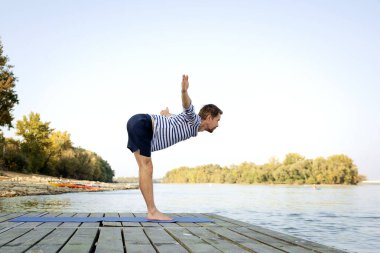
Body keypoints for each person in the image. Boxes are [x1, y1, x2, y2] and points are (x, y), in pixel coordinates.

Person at [126, 74, 223, 220]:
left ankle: (151, 211)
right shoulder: (195, 119)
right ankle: (152, 212)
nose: (218, 124)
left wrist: (167, 113)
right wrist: (184, 91)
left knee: (144, 168)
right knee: (147, 167)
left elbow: (175, 118)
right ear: (209, 117)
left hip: (136, 123)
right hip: (143, 124)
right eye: (217, 120)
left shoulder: (190, 125)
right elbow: (187, 106)